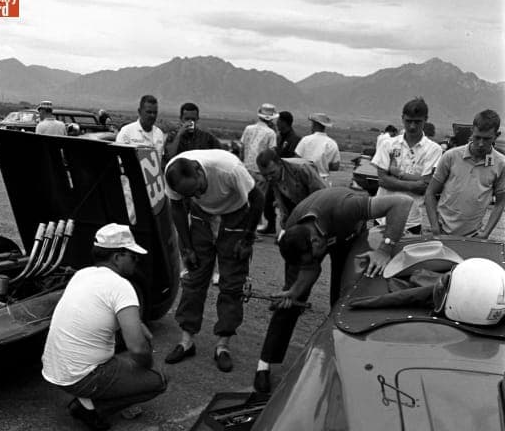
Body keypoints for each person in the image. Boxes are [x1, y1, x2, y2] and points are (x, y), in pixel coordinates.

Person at [252, 187, 413, 394]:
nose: (314, 263)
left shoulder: (346, 208)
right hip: (313, 239)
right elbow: (311, 268)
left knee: (343, 299)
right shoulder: (295, 233)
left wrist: (384, 250)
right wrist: (294, 292)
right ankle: (264, 363)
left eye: (313, 257)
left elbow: (402, 202)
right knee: (290, 300)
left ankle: (340, 356)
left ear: (316, 241)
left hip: (347, 235)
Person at [42, 223, 167, 431]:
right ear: (117, 257)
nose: (136, 261)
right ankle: (94, 408)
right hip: (83, 376)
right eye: (133, 256)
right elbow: (138, 348)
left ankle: (89, 399)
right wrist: (147, 365)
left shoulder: (83, 274)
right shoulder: (121, 286)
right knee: (160, 379)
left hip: (54, 369)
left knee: (122, 360)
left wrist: (137, 323)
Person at [164, 150, 264, 372]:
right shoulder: (173, 173)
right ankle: (186, 341)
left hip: (236, 215)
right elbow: (178, 208)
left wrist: (247, 239)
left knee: (231, 283)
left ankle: (223, 346)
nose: (197, 193)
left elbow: (258, 200)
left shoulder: (229, 169)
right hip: (202, 218)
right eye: (190, 193)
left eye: (198, 188)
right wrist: (187, 247)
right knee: (194, 278)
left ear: (199, 170)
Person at [425, 109, 505, 239]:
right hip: (442, 231)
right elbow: (430, 193)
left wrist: (485, 233)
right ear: (472, 131)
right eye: (477, 137)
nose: (480, 144)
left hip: (473, 237)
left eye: (487, 139)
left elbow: (500, 202)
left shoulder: (501, 163)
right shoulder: (451, 156)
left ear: (497, 135)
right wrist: (434, 227)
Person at [372, 97, 443, 235]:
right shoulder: (388, 144)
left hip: (410, 220)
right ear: (402, 118)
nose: (412, 126)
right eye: (408, 121)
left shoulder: (434, 149)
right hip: (382, 216)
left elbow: (424, 186)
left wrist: (396, 175)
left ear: (425, 119)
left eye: (417, 122)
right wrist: (413, 184)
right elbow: (382, 181)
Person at [256, 149, 326, 229]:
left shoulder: (302, 168)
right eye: (264, 175)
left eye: (272, 173)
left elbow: (322, 194)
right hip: (298, 205)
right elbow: (282, 203)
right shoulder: (273, 176)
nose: (269, 178)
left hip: (318, 206)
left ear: (280, 164)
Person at [116, 94, 165, 161]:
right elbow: (119, 160)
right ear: (139, 111)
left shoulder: (159, 134)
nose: (152, 116)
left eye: (155, 112)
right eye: (149, 112)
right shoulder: (127, 132)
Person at [294, 113, 340, 184]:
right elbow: (335, 166)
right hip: (323, 181)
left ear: (314, 125)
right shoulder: (332, 143)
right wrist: (324, 165)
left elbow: (296, 160)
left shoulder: (305, 140)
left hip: (304, 179)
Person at [239, 103, 278, 177]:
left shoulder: (248, 128)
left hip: (246, 169)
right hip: (260, 172)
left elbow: (242, 149)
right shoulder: (271, 133)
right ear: (272, 118)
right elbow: (271, 153)